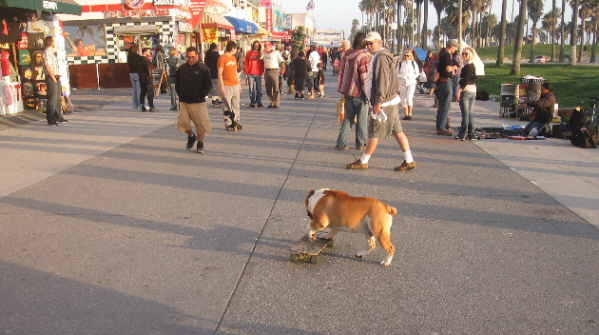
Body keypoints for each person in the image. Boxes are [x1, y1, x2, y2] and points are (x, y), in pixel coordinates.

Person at [346, 32, 416, 172]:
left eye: (371, 43)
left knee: (374, 131)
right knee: (397, 131)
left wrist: (378, 102)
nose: (369, 46)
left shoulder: (381, 58)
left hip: (384, 102)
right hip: (389, 100)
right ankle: (409, 160)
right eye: (367, 44)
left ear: (379, 42)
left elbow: (383, 81)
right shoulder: (381, 56)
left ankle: (364, 161)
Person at [335, 32, 371, 151]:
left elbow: (342, 72)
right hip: (359, 92)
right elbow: (364, 78)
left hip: (347, 90)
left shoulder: (346, 55)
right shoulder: (363, 57)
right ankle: (361, 144)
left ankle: (341, 143)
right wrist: (369, 94)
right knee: (361, 119)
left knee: (348, 117)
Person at [175, 47, 213, 153]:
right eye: (188, 57)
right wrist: (180, 94)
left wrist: (201, 95)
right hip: (184, 102)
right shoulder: (182, 69)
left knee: (201, 124)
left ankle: (200, 143)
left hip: (198, 102)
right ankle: (191, 136)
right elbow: (177, 84)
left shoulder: (203, 69)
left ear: (197, 56)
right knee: (183, 123)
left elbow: (208, 84)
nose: (190, 59)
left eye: (193, 57)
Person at [435, 39, 459, 136]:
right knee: (446, 106)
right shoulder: (447, 55)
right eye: (455, 47)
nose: (455, 49)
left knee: (441, 105)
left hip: (440, 81)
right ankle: (442, 127)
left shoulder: (441, 53)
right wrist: (455, 68)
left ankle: (440, 125)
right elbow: (448, 68)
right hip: (446, 82)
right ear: (452, 46)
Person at [217, 41, 242, 131]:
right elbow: (220, 73)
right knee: (227, 105)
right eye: (235, 48)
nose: (236, 50)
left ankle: (236, 121)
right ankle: (228, 123)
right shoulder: (222, 58)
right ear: (232, 48)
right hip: (226, 84)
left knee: (236, 104)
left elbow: (235, 71)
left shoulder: (234, 58)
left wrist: (239, 84)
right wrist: (221, 86)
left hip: (235, 84)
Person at [42, 36, 67, 125]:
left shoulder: (52, 52)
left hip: (56, 76)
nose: (55, 42)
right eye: (54, 41)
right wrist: (53, 77)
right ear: (51, 42)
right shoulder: (46, 52)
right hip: (51, 77)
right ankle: (51, 118)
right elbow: (47, 66)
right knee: (52, 99)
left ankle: (58, 116)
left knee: (57, 98)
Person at [455, 47, 478, 141]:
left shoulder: (467, 67)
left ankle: (462, 134)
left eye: (466, 54)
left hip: (466, 91)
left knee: (465, 114)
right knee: (469, 113)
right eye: (463, 54)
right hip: (473, 91)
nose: (464, 56)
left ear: (471, 55)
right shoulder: (472, 65)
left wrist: (459, 91)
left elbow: (465, 80)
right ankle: (471, 133)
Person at [397, 50, 420, 120]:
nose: (406, 57)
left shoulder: (413, 63)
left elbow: (417, 73)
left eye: (408, 56)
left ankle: (410, 113)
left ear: (410, 57)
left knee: (409, 97)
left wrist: (412, 77)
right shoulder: (400, 63)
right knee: (403, 99)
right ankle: (406, 113)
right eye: (405, 55)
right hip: (402, 82)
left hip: (411, 82)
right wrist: (402, 76)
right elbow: (396, 73)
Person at [262, 41, 286, 108]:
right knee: (268, 88)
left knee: (275, 86)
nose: (266, 47)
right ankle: (271, 102)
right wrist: (262, 52)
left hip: (274, 70)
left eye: (267, 46)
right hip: (267, 70)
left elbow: (282, 61)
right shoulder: (264, 53)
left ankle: (276, 102)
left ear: (270, 46)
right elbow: (259, 58)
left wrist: (283, 69)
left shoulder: (276, 53)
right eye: (265, 46)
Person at [244, 40, 264, 108]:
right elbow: (246, 62)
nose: (256, 47)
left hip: (258, 73)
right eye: (255, 45)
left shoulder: (261, 53)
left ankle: (259, 101)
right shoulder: (249, 53)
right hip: (250, 73)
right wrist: (246, 71)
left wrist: (261, 71)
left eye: (258, 45)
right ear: (253, 46)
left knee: (259, 88)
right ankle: (253, 101)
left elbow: (263, 63)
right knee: (251, 89)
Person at [138, 47, 157, 112]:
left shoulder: (139, 59)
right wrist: (151, 77)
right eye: (148, 52)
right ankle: (151, 106)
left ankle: (142, 105)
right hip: (147, 78)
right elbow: (148, 70)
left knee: (142, 92)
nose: (149, 53)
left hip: (141, 78)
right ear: (145, 52)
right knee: (150, 92)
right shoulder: (146, 60)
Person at [127, 44, 143, 110]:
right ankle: (140, 104)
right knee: (139, 89)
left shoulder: (129, 57)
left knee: (134, 89)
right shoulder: (139, 57)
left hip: (131, 73)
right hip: (137, 73)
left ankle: (135, 105)